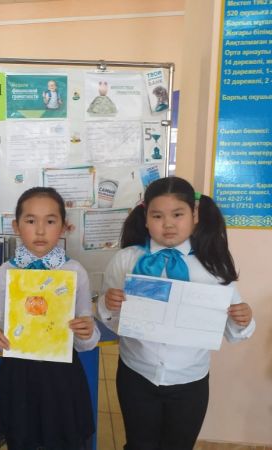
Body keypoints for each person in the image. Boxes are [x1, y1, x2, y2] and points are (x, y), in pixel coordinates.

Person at [97, 176, 255, 450]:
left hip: (190, 380)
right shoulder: (126, 260)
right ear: (146, 218)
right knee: (138, 444)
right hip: (136, 373)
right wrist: (107, 304)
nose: (168, 224)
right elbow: (110, 319)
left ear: (194, 215)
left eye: (177, 214)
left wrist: (244, 318)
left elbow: (234, 330)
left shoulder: (212, 266)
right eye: (157, 216)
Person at [0, 186, 100, 450]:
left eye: (50, 221)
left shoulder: (75, 272)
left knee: (63, 440)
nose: (41, 230)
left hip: (62, 378)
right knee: (21, 438)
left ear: (64, 227)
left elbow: (86, 337)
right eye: (31, 221)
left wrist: (87, 331)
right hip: (18, 376)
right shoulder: (6, 272)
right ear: (16, 226)